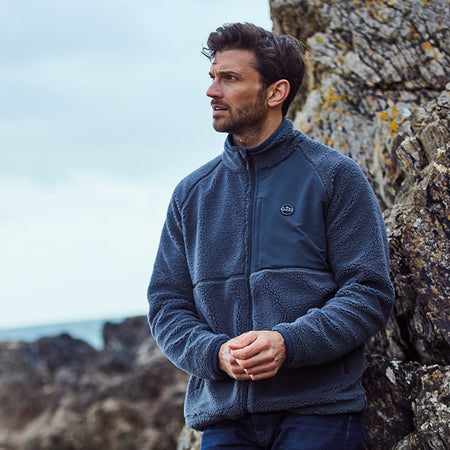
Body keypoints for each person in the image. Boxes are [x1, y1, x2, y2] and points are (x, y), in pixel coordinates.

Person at [147, 22, 394, 449]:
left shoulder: (334, 176)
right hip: (224, 421)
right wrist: (215, 354)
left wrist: (287, 343)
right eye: (213, 77)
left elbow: (368, 292)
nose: (212, 91)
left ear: (276, 92)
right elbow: (167, 304)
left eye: (230, 78)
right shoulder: (192, 194)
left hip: (317, 414)